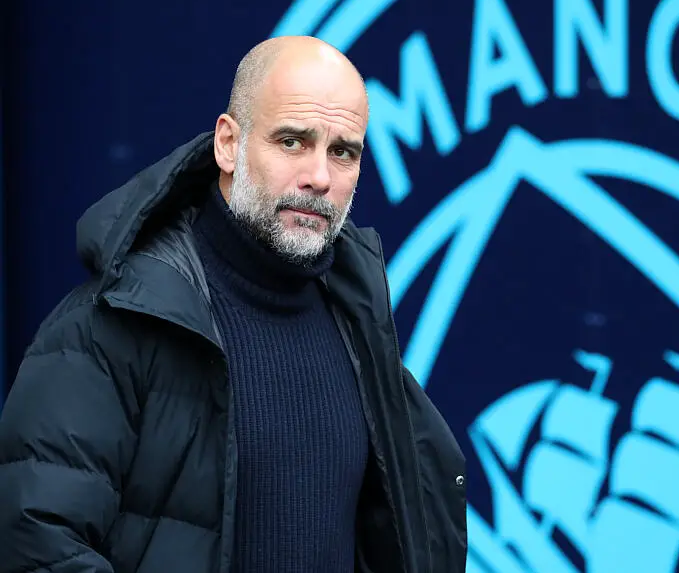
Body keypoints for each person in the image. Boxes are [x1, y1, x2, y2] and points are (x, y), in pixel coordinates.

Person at [0, 36, 467, 573]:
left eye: (343, 152)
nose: (319, 177)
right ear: (228, 144)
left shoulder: (359, 327)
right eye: (292, 141)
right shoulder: (110, 325)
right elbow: (37, 545)